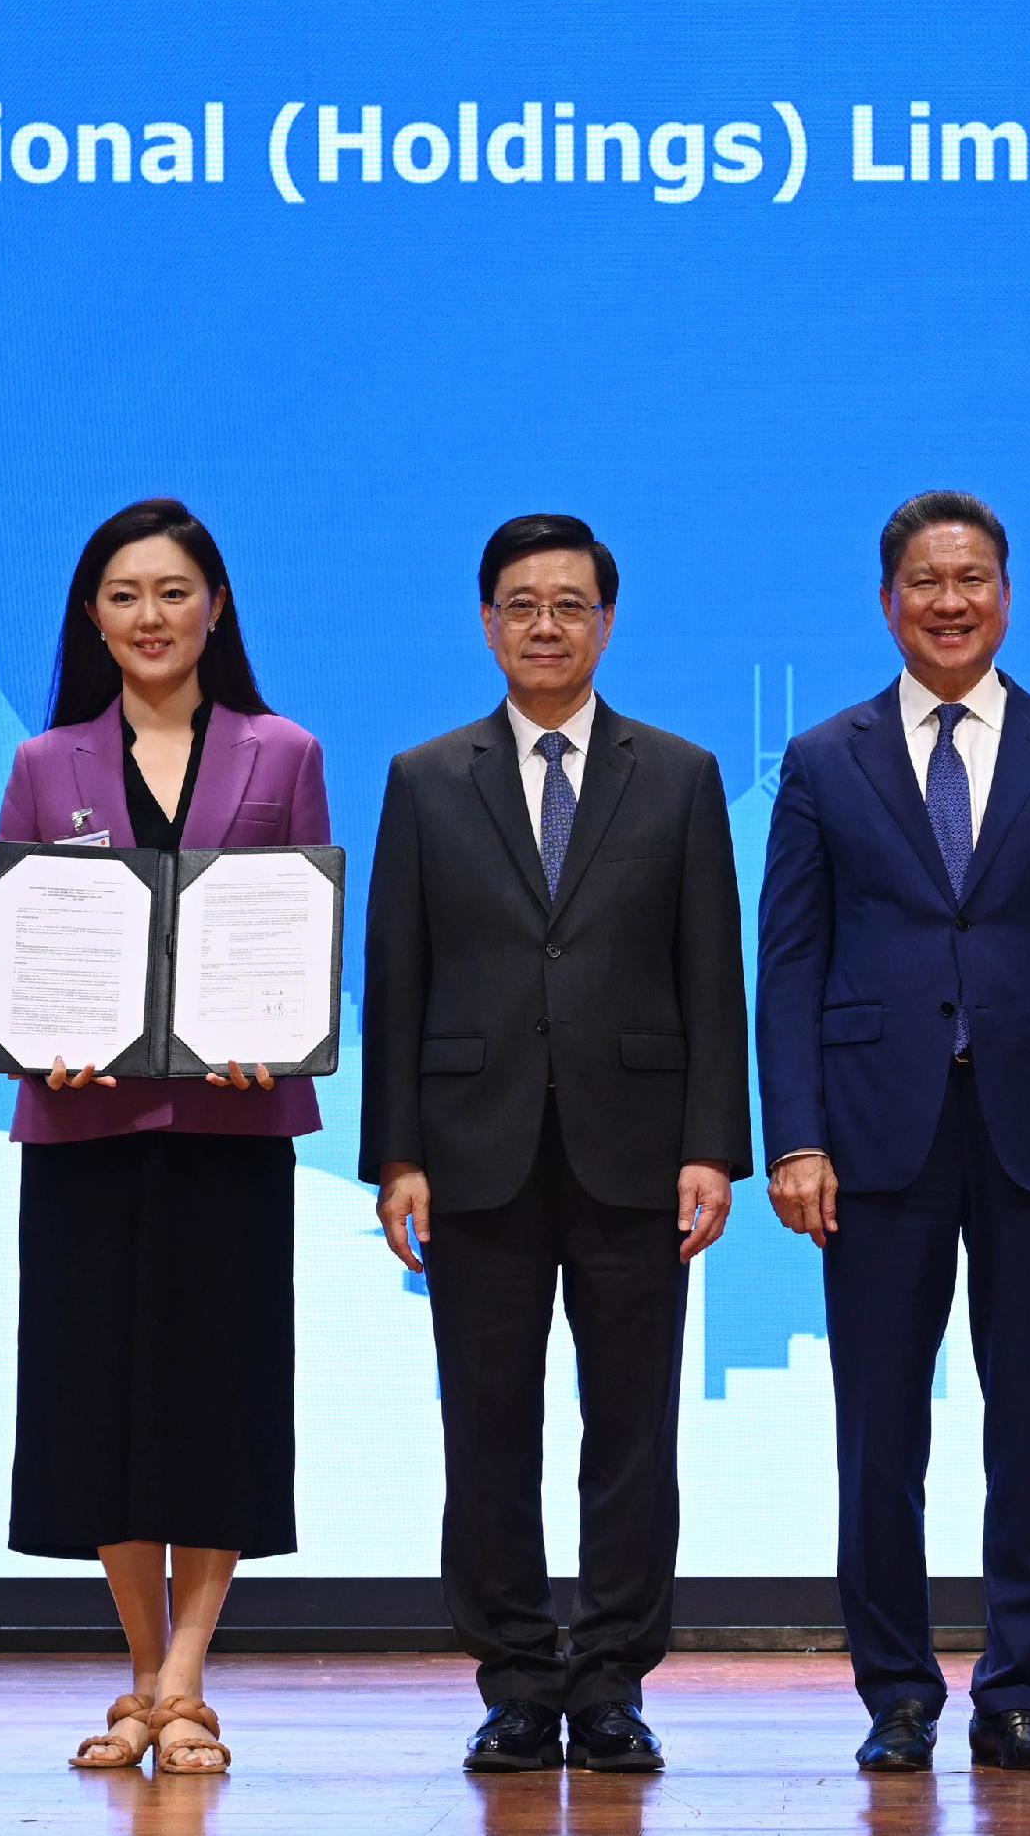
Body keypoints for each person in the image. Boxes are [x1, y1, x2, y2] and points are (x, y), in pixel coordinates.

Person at [755, 492, 1030, 1775]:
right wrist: (794, 1135)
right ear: (889, 600)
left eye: (973, 578)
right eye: (926, 580)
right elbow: (791, 960)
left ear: (1006, 593)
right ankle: (893, 1692)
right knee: (880, 1427)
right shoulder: (824, 757)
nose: (949, 600)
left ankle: (1017, 1691)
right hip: (875, 1137)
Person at [362, 513, 751, 1775]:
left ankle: (614, 1677)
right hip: (471, 1150)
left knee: (631, 1429)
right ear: (485, 622)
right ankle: (518, 1676)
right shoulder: (426, 777)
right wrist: (396, 1152)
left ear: (606, 621)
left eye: (569, 603)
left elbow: (711, 973)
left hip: (638, 1151)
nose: (545, 623)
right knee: (486, 1424)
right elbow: (398, 974)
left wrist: (714, 1145)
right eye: (521, 603)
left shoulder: (679, 773)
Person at [0, 497, 329, 1779]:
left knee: (216, 1398)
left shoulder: (282, 749)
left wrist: (281, 1022)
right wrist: (32, 1022)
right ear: (93, 614)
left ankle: (186, 1679)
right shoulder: (43, 762)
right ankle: (142, 1673)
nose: (150, 616)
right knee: (101, 1405)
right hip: (87, 1128)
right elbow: (1, 943)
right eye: (125, 594)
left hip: (230, 1128)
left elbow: (302, 921)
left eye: (174, 591)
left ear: (217, 606)